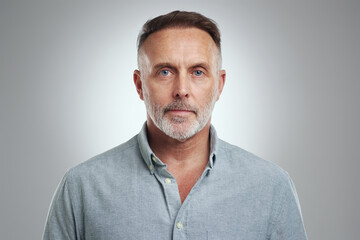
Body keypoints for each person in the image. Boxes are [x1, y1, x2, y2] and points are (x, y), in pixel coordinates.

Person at [43, 10, 307, 240]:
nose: (182, 90)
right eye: (165, 71)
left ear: (219, 85)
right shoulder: (81, 188)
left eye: (198, 72)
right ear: (139, 85)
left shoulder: (272, 187)